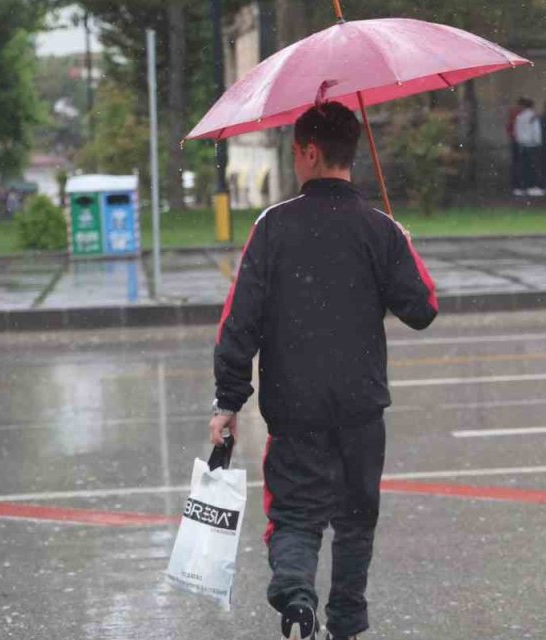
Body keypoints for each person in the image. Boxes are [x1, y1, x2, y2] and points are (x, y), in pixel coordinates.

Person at [209, 102, 439, 640]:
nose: (295, 162)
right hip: (361, 407)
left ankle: (296, 600)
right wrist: (401, 241)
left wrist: (228, 400)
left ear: (310, 152)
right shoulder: (378, 229)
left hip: (295, 407)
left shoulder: (273, 227)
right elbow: (422, 308)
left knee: (294, 515)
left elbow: (238, 321)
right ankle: (347, 625)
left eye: (295, 153)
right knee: (356, 522)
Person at [514, 98, 545, 197]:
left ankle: (523, 188)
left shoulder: (519, 117)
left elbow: (517, 131)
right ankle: (533, 187)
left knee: (524, 167)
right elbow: (536, 131)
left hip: (522, 145)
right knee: (534, 167)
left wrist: (520, 141)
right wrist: (539, 142)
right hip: (533, 145)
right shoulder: (533, 117)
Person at [506, 98, 528, 194]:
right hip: (519, 141)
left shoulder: (514, 113)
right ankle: (519, 185)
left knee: (517, 164)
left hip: (516, 140)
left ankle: (517, 185)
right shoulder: (519, 114)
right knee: (520, 164)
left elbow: (509, 127)